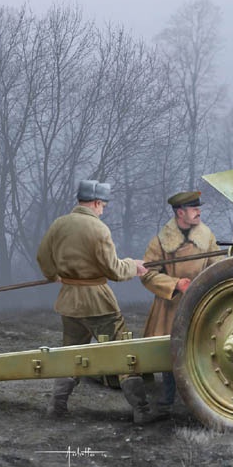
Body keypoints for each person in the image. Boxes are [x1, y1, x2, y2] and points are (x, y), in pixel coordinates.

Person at [36, 180, 152, 422]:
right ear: (97, 203)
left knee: (70, 354)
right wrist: (135, 266)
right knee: (122, 352)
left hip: (69, 302)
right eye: (103, 206)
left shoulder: (59, 225)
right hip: (98, 303)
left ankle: (56, 408)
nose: (103, 210)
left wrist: (55, 275)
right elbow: (115, 271)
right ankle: (142, 411)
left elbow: (42, 256)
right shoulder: (98, 229)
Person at [140, 191, 221, 415]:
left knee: (203, 350)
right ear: (180, 213)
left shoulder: (207, 237)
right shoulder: (161, 241)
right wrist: (175, 284)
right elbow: (147, 273)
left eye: (198, 208)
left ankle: (204, 401)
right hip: (171, 306)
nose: (199, 212)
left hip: (200, 303)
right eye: (193, 209)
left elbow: (218, 265)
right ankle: (168, 402)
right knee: (169, 355)